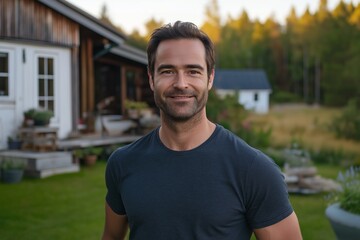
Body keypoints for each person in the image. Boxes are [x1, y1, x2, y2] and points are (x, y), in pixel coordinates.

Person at [102, 21, 302, 240]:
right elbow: (111, 236)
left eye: (193, 71)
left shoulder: (254, 170)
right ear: (152, 79)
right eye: (168, 71)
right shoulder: (123, 163)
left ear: (210, 78)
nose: (181, 83)